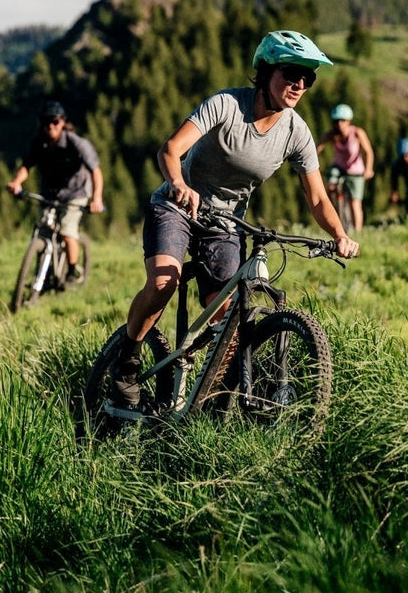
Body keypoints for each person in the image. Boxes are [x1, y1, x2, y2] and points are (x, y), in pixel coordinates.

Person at [108, 30, 359, 410]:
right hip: (177, 207)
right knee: (163, 283)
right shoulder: (226, 105)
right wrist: (178, 184)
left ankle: (209, 401)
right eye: (291, 73)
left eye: (308, 78)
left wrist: (340, 233)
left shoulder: (296, 132)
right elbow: (170, 150)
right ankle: (126, 361)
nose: (299, 84)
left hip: (226, 225)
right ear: (266, 71)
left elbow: (318, 197)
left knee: (227, 317)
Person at [5, 100, 105, 282]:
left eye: (55, 121)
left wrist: (97, 199)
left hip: (76, 192)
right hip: (50, 193)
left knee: (67, 231)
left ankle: (72, 271)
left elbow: (96, 171)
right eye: (46, 122)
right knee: (42, 230)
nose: (50, 126)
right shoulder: (39, 142)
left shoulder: (76, 143)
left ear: (63, 122)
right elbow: (26, 166)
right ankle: (42, 273)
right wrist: (16, 183)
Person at [317, 103, 376, 232]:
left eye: (343, 120)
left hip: (355, 171)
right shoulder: (331, 135)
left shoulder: (357, 133)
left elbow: (369, 152)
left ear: (349, 121)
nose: (339, 124)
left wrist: (368, 169)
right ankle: (333, 212)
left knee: (355, 202)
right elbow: (317, 149)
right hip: (338, 168)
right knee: (329, 187)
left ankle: (358, 232)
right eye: (337, 121)